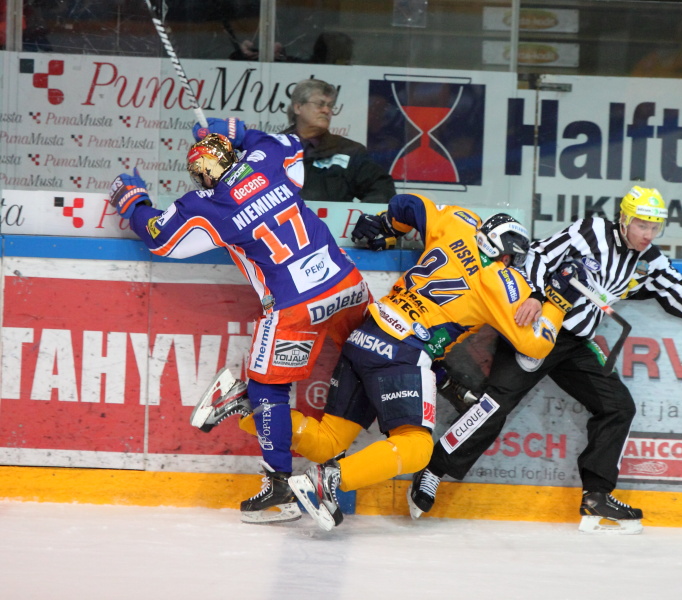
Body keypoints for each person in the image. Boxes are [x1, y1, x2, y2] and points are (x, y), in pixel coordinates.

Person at [408, 185, 682, 535]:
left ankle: (596, 496)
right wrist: (533, 295)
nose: (648, 233)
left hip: (575, 343)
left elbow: (677, 289)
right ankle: (433, 470)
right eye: (642, 225)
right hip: (535, 330)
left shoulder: (649, 258)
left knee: (617, 406)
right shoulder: (592, 230)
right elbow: (537, 254)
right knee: (495, 405)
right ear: (625, 220)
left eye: (654, 226)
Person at [108, 116, 372, 524]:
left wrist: (134, 203)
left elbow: (162, 238)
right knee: (371, 356)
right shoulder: (267, 159)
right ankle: (417, 411)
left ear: (202, 175)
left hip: (295, 304)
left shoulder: (209, 204)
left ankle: (279, 486)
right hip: (346, 283)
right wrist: (238, 131)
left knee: (267, 385)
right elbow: (290, 143)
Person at [284, 193, 571, 531]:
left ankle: (249, 403)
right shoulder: (500, 279)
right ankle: (328, 478)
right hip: (404, 350)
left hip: (365, 334)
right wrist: (556, 301)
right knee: (417, 447)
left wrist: (391, 226)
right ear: (506, 254)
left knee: (328, 440)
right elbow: (535, 345)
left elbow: (407, 204)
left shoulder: (459, 223)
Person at [283, 78, 396, 204]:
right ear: (298, 107)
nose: (326, 111)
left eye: (330, 106)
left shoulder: (349, 151)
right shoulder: (271, 148)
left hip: (330, 223)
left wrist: (357, 218)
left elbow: (382, 189)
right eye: (320, 104)